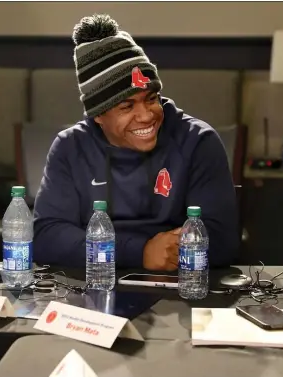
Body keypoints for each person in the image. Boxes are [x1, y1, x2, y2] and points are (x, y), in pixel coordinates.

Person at [33, 14, 238, 270]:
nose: (146, 115)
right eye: (127, 106)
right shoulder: (70, 147)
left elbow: (223, 240)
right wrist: (140, 253)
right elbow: (47, 237)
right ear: (98, 115)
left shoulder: (198, 141)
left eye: (151, 98)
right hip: (95, 286)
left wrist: (169, 252)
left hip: (181, 286)